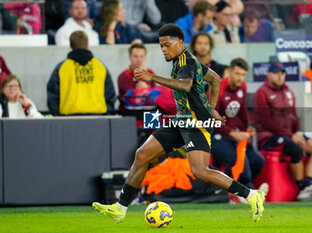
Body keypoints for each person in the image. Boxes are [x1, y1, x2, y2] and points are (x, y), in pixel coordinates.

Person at [92, 23, 265, 223]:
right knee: (142, 155)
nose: (163, 49)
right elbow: (216, 79)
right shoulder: (185, 60)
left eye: (167, 45)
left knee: (200, 171)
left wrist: (152, 77)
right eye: (161, 46)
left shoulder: (186, 63)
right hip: (181, 120)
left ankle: (251, 195)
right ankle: (120, 208)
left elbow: (185, 85)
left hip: (196, 123)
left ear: (180, 42)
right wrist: (211, 108)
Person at [253, 61, 312, 201]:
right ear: (269, 75)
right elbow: (266, 122)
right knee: (295, 149)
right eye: (276, 73)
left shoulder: (288, 91)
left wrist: (297, 132)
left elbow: (294, 116)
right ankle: (301, 188)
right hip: (269, 137)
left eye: (282, 73)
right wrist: (291, 136)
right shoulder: (261, 93)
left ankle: (308, 185)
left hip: (289, 135)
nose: (280, 76)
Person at [211, 58, 265, 190]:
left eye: (243, 75)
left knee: (258, 160)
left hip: (233, 135)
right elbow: (212, 119)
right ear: (229, 72)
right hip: (214, 135)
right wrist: (233, 133)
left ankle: (236, 191)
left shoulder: (242, 88)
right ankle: (247, 191)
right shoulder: (217, 89)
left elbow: (242, 108)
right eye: (237, 74)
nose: (240, 78)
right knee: (236, 159)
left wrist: (248, 125)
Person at [47, 31, 117, 116]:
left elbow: (53, 96)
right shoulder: (100, 67)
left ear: (71, 46)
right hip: (98, 119)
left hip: (69, 120)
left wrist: (58, 116)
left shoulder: (62, 68)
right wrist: (108, 115)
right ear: (87, 45)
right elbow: (110, 95)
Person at [117, 43, 156, 113]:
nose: (139, 60)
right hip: (130, 113)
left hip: (149, 111)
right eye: (135, 56)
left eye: (142, 56)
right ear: (130, 57)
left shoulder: (151, 73)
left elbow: (155, 96)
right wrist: (142, 77)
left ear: (145, 58)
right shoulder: (123, 76)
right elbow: (136, 98)